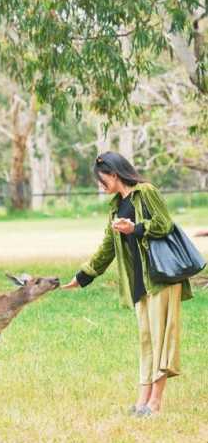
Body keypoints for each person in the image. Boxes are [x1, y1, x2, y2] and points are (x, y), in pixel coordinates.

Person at [62, 151, 193, 417]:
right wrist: (83, 276)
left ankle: (155, 403)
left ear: (114, 173)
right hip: (138, 281)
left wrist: (135, 228)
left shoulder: (145, 192)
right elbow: (108, 246)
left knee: (160, 341)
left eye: (102, 180)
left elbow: (164, 224)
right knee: (146, 341)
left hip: (161, 277)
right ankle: (142, 400)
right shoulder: (115, 205)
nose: (101, 185)